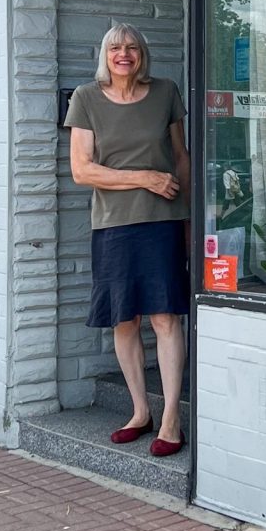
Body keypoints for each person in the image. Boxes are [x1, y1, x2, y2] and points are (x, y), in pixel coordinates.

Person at [64, 23, 190, 458]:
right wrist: (146, 178)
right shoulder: (86, 98)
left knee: (165, 318)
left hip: (164, 222)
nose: (124, 54)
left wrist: (188, 219)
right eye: (116, 47)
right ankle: (140, 412)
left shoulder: (165, 92)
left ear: (142, 54)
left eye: (132, 47)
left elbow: (181, 158)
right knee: (125, 320)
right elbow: (83, 170)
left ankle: (171, 417)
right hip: (114, 226)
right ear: (105, 54)